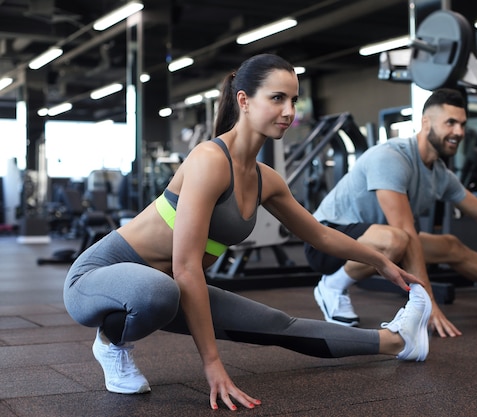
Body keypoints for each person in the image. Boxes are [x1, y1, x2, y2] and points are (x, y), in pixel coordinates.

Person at [63, 54, 432, 411]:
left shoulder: (265, 180)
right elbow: (187, 266)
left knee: (277, 324)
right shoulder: (209, 160)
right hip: (97, 281)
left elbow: (319, 235)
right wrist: (212, 365)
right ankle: (111, 342)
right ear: (244, 100)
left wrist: (380, 261)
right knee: (160, 290)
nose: (289, 111)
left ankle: (398, 342)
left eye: (293, 100)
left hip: (168, 288)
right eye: (277, 98)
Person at [304, 88, 477, 338]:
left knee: (450, 246)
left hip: (373, 241)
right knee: (398, 239)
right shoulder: (391, 158)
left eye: (462, 124)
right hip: (327, 242)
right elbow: (405, 232)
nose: (459, 131)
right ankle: (332, 286)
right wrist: (428, 303)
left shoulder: (440, 174)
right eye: (451, 123)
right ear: (426, 123)